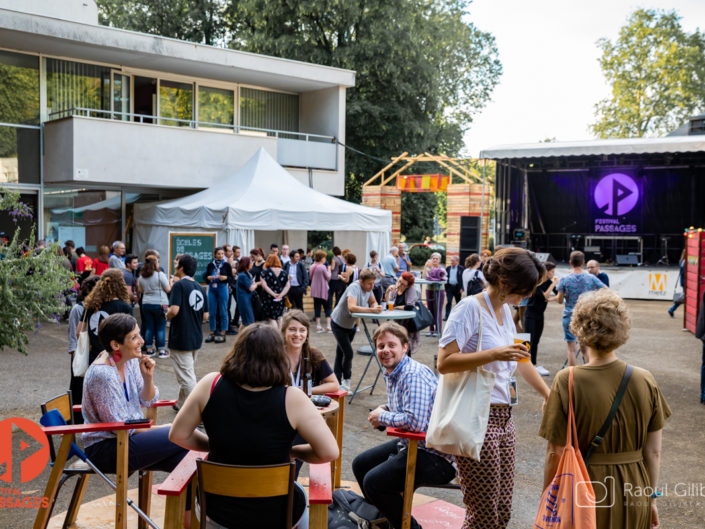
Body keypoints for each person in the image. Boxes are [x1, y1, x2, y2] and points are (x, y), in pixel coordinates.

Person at [168, 324, 339, 529]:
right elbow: (329, 452)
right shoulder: (292, 398)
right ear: (279, 356)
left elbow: (178, 435)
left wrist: (215, 445)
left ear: (237, 351)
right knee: (300, 493)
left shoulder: (210, 384)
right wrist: (293, 452)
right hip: (277, 516)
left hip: (216, 514)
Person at [437, 247, 551, 529]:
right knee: (484, 514)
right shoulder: (469, 308)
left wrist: (549, 395)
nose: (529, 296)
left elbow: (522, 359)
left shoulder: (508, 311)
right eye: (526, 289)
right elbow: (444, 362)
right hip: (477, 416)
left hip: (505, 417)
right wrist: (494, 354)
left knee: (502, 510)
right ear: (504, 283)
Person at [540, 289, 671, 529]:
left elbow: (554, 451)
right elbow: (653, 452)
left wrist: (548, 498)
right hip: (635, 490)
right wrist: (651, 498)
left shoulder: (567, 380)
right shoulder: (645, 380)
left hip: (583, 488)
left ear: (579, 330)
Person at [353, 323, 456, 529]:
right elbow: (409, 406)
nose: (385, 350)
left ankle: (409, 527)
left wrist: (383, 417)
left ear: (405, 347)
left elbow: (415, 422)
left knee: (374, 482)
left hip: (438, 456)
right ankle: (385, 520)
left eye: (392, 345)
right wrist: (386, 408)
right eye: (381, 346)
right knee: (360, 464)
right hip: (414, 445)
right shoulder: (396, 371)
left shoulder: (411, 375)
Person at [82, 313, 187, 476]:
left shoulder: (128, 360)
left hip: (127, 440)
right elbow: (120, 427)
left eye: (139, 334)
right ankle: (216, 447)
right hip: (105, 449)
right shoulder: (102, 375)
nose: (142, 341)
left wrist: (148, 378)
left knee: (188, 459)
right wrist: (164, 429)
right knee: (182, 433)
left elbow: (148, 401)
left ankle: (195, 501)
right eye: (134, 337)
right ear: (116, 345)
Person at [166, 254, 209, 411]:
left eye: (176, 263)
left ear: (181, 268)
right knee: (188, 373)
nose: (175, 266)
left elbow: (174, 310)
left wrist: (166, 315)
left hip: (181, 337)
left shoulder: (179, 286)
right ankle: (181, 404)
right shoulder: (200, 287)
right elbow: (205, 316)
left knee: (187, 379)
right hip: (196, 337)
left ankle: (201, 412)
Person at [330, 269, 382, 391]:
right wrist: (371, 310)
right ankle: (346, 382)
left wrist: (375, 306)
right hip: (338, 323)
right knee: (348, 353)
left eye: (373, 283)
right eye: (369, 283)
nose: (372, 286)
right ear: (361, 281)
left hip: (351, 326)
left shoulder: (369, 289)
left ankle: (337, 382)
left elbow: (373, 301)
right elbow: (351, 307)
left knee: (341, 353)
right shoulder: (354, 287)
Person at [557, 250, 606, 365]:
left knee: (571, 349)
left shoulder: (564, 279)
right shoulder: (591, 278)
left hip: (569, 315)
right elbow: (606, 290)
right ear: (583, 262)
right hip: (586, 315)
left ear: (570, 263)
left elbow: (559, 300)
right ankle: (589, 372)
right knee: (586, 348)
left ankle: (572, 376)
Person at [77, 269, 133, 365]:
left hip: (94, 358)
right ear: (121, 284)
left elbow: (78, 332)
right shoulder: (124, 307)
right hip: (116, 359)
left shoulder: (91, 305)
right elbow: (131, 335)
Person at [67, 275, 100, 421]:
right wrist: (75, 354)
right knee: (78, 387)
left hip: (92, 353)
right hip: (80, 353)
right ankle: (76, 419)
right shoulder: (78, 309)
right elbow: (74, 334)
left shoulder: (98, 309)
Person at [523, 262, 558, 377]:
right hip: (530, 313)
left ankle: (533, 363)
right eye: (552, 271)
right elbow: (543, 296)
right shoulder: (536, 282)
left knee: (536, 340)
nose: (553, 274)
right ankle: (524, 364)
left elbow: (558, 294)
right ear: (546, 272)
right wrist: (553, 285)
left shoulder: (549, 282)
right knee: (528, 340)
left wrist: (553, 297)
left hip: (540, 314)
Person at [137, 255, 171, 358]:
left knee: (149, 327)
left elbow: (140, 290)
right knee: (160, 327)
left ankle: (149, 350)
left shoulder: (141, 276)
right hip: (160, 303)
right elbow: (168, 289)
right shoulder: (160, 275)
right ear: (156, 263)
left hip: (146, 303)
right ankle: (161, 350)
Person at [204, 247, 234, 344]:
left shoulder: (226, 265)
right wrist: (208, 277)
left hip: (222, 288)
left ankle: (223, 333)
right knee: (212, 312)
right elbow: (205, 277)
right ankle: (212, 332)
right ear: (215, 255)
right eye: (218, 254)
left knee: (223, 311)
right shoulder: (210, 265)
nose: (220, 255)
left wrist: (225, 277)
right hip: (212, 288)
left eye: (222, 254)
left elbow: (232, 279)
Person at [384, 272, 420, 354]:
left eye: (403, 284)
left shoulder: (411, 290)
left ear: (408, 286)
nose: (399, 284)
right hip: (396, 321)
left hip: (407, 322)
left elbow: (409, 306)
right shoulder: (395, 289)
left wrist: (396, 307)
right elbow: (388, 305)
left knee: (405, 345)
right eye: (399, 281)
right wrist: (387, 292)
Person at [260, 254, 291, 325]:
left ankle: (276, 334)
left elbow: (265, 286)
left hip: (268, 298)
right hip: (281, 298)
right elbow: (287, 286)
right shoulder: (284, 272)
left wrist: (273, 294)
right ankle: (280, 334)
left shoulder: (264, 272)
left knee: (272, 318)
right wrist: (281, 295)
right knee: (279, 317)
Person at [422, 252, 446, 337]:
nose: (435, 260)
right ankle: (431, 330)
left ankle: (438, 330)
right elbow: (424, 277)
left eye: (437, 258)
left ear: (439, 260)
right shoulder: (429, 267)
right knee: (430, 310)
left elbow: (443, 278)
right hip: (429, 290)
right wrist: (426, 266)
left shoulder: (442, 268)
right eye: (433, 258)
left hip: (439, 290)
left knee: (437, 311)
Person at [309, 250, 332, 333]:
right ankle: (328, 326)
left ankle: (318, 326)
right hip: (324, 290)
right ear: (321, 258)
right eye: (324, 257)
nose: (325, 259)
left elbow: (310, 278)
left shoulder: (312, 266)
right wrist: (329, 270)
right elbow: (328, 277)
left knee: (317, 307)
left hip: (315, 290)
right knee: (328, 308)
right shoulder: (323, 267)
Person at [235, 256, 257, 327]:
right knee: (249, 322)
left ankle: (241, 337)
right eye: (250, 262)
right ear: (246, 264)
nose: (252, 264)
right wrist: (257, 283)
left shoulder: (245, 274)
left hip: (246, 300)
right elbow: (251, 288)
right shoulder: (243, 275)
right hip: (245, 301)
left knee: (244, 323)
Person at [444, 255, 464, 320]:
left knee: (458, 302)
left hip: (457, 288)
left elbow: (463, 278)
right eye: (451, 260)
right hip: (449, 287)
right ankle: (447, 316)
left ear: (457, 261)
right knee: (449, 302)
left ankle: (459, 316)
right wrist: (445, 288)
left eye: (453, 261)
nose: (451, 262)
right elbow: (445, 277)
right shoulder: (448, 268)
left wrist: (462, 288)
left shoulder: (461, 268)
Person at [667, 249, 686, 317]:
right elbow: (684, 273)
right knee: (684, 298)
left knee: (684, 297)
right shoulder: (685, 262)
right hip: (685, 282)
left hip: (683, 281)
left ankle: (672, 309)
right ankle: (671, 309)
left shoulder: (681, 261)